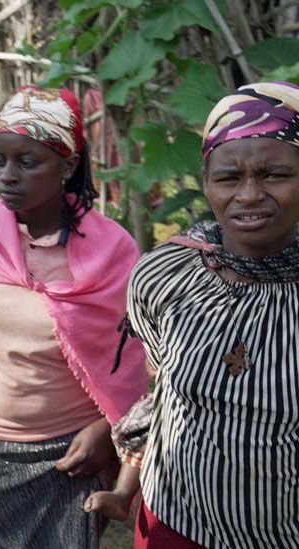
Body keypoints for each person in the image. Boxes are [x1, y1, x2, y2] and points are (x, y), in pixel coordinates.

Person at [86, 82, 299, 548]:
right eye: (228, 178)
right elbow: (161, 387)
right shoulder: (166, 274)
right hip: (174, 521)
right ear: (206, 183)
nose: (248, 195)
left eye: (274, 175)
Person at [0, 85, 148, 547]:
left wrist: (105, 429)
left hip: (69, 457)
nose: (7, 176)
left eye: (27, 162)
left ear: (67, 166)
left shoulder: (112, 252)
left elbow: (137, 360)